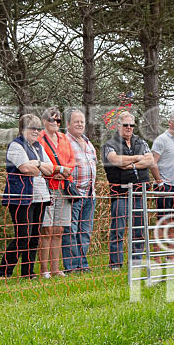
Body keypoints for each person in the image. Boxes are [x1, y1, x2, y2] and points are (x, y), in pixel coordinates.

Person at [0, 115, 54, 279]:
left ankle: (28, 272)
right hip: (21, 197)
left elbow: (51, 169)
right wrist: (39, 165)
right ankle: (4, 272)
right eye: (32, 128)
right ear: (23, 129)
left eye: (38, 128)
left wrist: (37, 164)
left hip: (41, 197)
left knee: (34, 237)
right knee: (23, 236)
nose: (36, 131)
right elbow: (24, 168)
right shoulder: (16, 145)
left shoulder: (38, 147)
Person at [103, 111, 154, 270]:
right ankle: (115, 265)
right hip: (120, 193)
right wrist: (138, 158)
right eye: (125, 125)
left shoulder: (141, 142)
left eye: (132, 125)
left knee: (138, 230)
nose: (129, 128)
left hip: (139, 192)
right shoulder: (109, 144)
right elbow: (116, 160)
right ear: (118, 126)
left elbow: (150, 160)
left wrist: (129, 164)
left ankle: (137, 263)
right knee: (118, 230)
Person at [38, 107, 75, 279]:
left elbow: (72, 160)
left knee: (59, 229)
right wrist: (55, 171)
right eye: (52, 120)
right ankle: (44, 269)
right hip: (47, 186)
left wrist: (65, 171)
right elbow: (39, 162)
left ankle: (55, 269)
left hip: (63, 187)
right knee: (46, 229)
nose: (56, 123)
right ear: (44, 121)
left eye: (58, 120)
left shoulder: (64, 139)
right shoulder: (39, 139)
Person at [62, 109, 97, 273]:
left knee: (85, 232)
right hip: (73, 194)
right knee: (71, 230)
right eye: (76, 121)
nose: (80, 124)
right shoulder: (64, 141)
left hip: (90, 194)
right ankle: (71, 266)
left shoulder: (88, 142)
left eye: (82, 121)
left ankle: (82, 264)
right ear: (68, 124)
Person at [151, 109, 174, 246]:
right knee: (163, 221)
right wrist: (160, 182)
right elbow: (152, 162)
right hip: (165, 185)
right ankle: (156, 255)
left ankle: (171, 253)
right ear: (169, 122)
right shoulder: (161, 140)